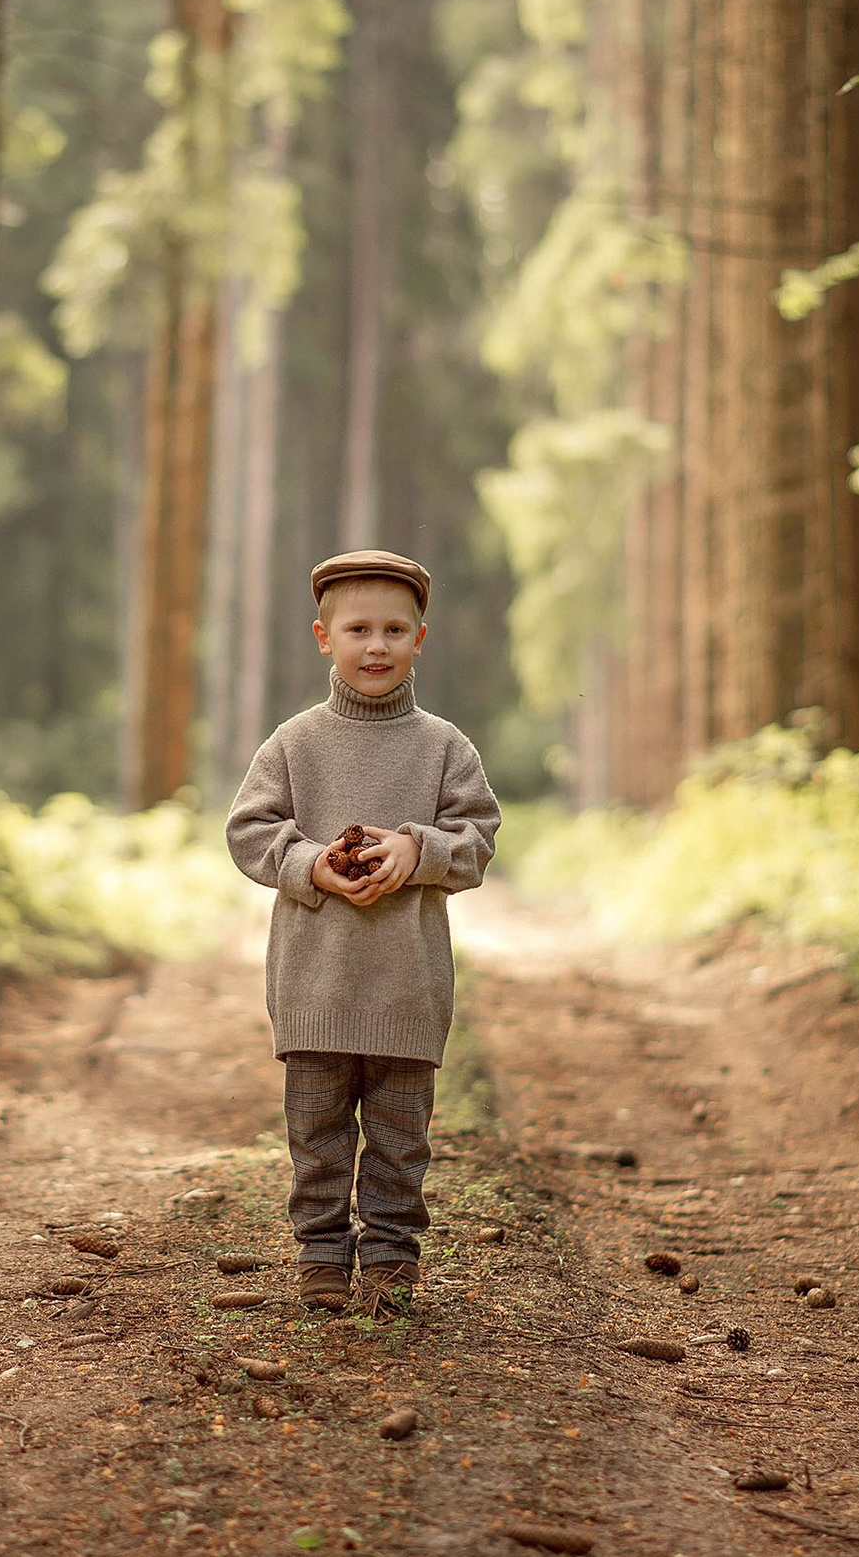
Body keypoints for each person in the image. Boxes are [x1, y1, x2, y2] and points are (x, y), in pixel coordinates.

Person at [226, 548, 502, 1316]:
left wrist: (419, 850)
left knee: (399, 1138)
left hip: (407, 989)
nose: (375, 645)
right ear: (323, 637)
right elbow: (248, 831)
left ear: (421, 639)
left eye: (394, 629)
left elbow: (478, 835)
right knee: (316, 1135)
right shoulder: (294, 743)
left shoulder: (445, 747)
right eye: (357, 629)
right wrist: (311, 863)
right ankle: (320, 1256)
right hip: (313, 985)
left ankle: (388, 1260)